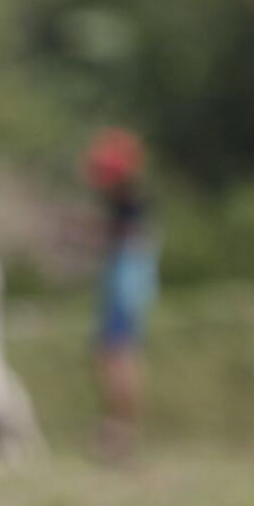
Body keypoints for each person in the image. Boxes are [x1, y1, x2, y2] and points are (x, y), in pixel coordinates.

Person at [83, 129, 158, 462]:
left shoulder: (129, 207)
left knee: (116, 357)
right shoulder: (131, 205)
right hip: (128, 290)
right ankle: (120, 431)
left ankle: (118, 432)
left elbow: (120, 245)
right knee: (119, 356)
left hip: (123, 291)